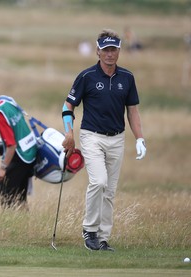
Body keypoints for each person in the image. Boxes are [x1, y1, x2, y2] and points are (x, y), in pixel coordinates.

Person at [61, 29, 146, 251]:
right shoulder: (86, 77)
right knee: (98, 181)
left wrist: (140, 138)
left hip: (117, 138)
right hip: (92, 136)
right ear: (98, 51)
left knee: (109, 190)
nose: (110, 54)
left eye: (114, 50)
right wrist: (69, 133)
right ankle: (89, 230)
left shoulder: (127, 78)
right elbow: (68, 105)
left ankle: (102, 238)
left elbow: (132, 111)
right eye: (106, 50)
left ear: (119, 51)